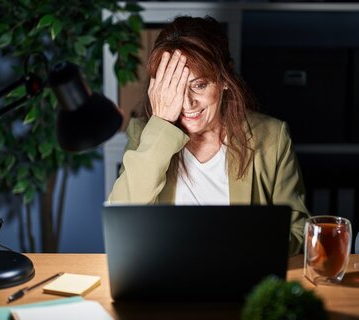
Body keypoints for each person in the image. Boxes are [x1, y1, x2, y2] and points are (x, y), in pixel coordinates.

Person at [108, 16, 310, 255]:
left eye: (200, 85)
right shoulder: (145, 134)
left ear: (225, 79)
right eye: (175, 88)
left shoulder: (272, 136)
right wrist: (161, 123)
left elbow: (298, 232)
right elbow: (121, 219)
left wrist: (245, 249)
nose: (187, 103)